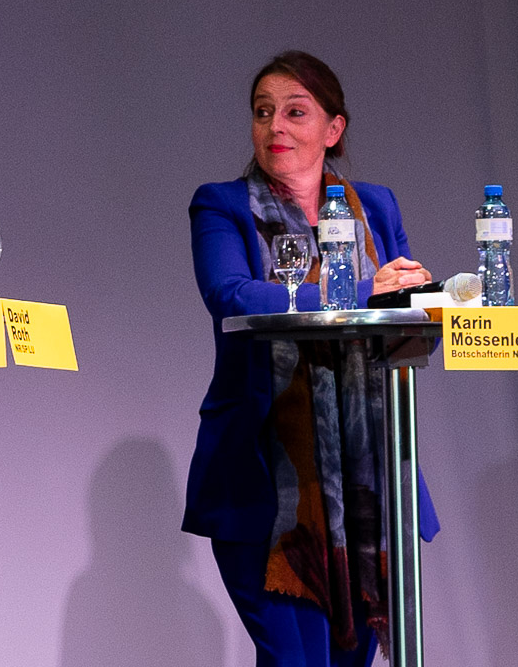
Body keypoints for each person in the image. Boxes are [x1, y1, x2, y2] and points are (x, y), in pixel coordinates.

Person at [183, 50, 438, 666]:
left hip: (368, 484)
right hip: (265, 478)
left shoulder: (376, 205)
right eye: (262, 112)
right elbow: (232, 294)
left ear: (333, 128)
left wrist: (422, 293)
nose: (275, 126)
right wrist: (357, 291)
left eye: (295, 112)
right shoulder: (221, 205)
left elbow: (400, 307)